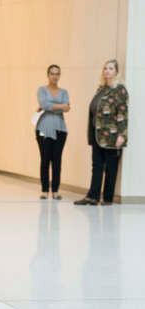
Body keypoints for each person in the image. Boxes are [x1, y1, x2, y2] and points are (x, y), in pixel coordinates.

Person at [74, 59, 128, 206]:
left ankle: (108, 199)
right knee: (97, 166)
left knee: (110, 168)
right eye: (105, 68)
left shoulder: (120, 90)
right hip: (97, 135)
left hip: (112, 136)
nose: (107, 71)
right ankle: (93, 196)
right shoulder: (101, 89)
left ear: (116, 72)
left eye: (110, 68)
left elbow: (122, 113)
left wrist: (122, 135)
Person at [35, 64, 70, 200]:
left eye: (57, 74)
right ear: (48, 75)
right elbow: (44, 105)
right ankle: (44, 190)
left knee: (57, 160)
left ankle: (55, 190)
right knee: (45, 159)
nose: (55, 76)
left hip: (60, 129)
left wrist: (52, 106)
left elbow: (67, 108)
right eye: (52, 73)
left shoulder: (64, 92)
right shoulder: (42, 90)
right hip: (43, 129)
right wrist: (60, 106)